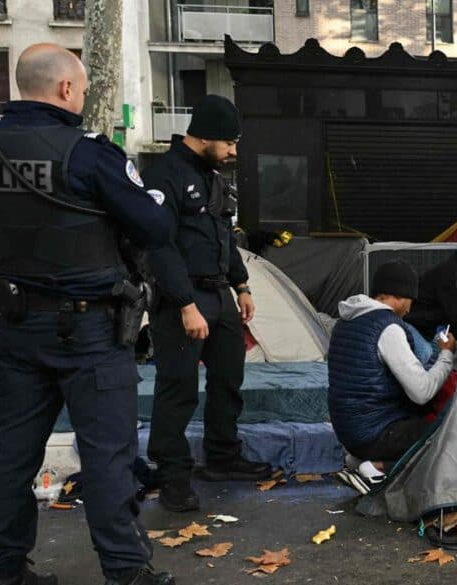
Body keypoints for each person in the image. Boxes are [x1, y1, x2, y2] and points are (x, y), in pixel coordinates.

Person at [0, 44, 174, 585]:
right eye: (80, 89)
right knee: (108, 456)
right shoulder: (87, 151)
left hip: (19, 326)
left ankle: (3, 569)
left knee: (12, 455)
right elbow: (154, 226)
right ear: (64, 89)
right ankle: (127, 572)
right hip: (90, 330)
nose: (80, 99)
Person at [144, 94, 271, 514]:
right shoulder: (164, 175)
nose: (234, 151)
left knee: (228, 379)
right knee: (177, 389)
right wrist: (184, 304)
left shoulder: (214, 177)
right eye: (230, 142)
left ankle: (222, 457)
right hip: (184, 299)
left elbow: (223, 236)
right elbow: (160, 247)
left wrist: (242, 285)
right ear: (207, 136)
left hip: (219, 295)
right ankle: (174, 478)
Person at [328, 261, 457, 477]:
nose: (410, 308)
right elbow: (421, 393)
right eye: (410, 300)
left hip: (348, 431)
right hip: (376, 433)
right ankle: (380, 467)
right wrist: (446, 354)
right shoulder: (388, 328)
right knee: (447, 431)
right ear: (398, 294)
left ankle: (360, 459)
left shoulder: (344, 322)